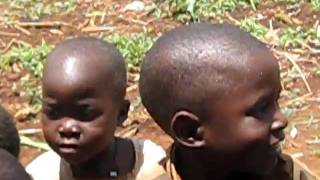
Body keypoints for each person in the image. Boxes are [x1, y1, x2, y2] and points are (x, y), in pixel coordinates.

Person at [139, 23, 317, 180]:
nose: (282, 120)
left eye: (275, 102)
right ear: (191, 131)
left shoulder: (285, 174)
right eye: (261, 109)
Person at [27, 37, 168, 180]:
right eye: (54, 112)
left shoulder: (150, 167)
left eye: (85, 114)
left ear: (121, 113)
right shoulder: (40, 174)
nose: (67, 128)